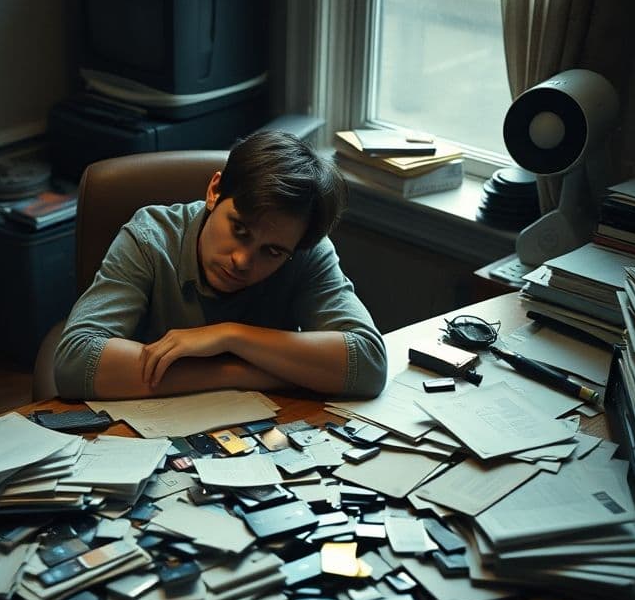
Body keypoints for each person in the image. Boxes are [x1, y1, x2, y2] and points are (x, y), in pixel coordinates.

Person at [48, 130, 388, 401]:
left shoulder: (302, 251)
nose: (242, 261)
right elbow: (75, 363)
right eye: (239, 230)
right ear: (215, 190)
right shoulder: (150, 237)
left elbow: (368, 363)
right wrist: (237, 373)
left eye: (270, 252)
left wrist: (230, 336)